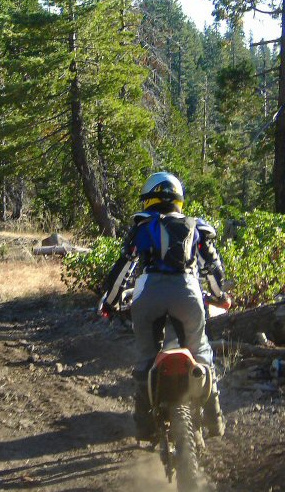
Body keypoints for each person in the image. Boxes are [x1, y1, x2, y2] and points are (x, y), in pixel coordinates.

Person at [97, 171, 229, 442]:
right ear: (178, 199)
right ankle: (214, 419)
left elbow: (123, 268)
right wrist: (221, 296)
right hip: (188, 296)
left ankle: (145, 426)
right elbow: (213, 271)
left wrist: (109, 302)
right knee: (201, 351)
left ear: (150, 199)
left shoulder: (142, 226)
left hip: (148, 298)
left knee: (146, 357)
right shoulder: (196, 227)